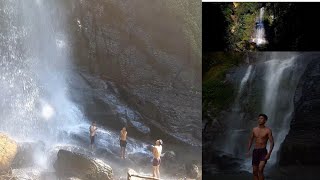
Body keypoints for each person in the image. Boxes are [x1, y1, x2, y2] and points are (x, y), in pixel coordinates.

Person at [246, 114, 274, 180]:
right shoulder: (254, 129)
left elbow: (272, 142)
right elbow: (251, 139)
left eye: (261, 118)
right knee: (255, 172)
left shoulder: (268, 130)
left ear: (265, 120)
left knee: (260, 170)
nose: (260, 120)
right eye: (259, 118)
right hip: (255, 151)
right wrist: (248, 150)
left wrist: (269, 154)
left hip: (263, 151)